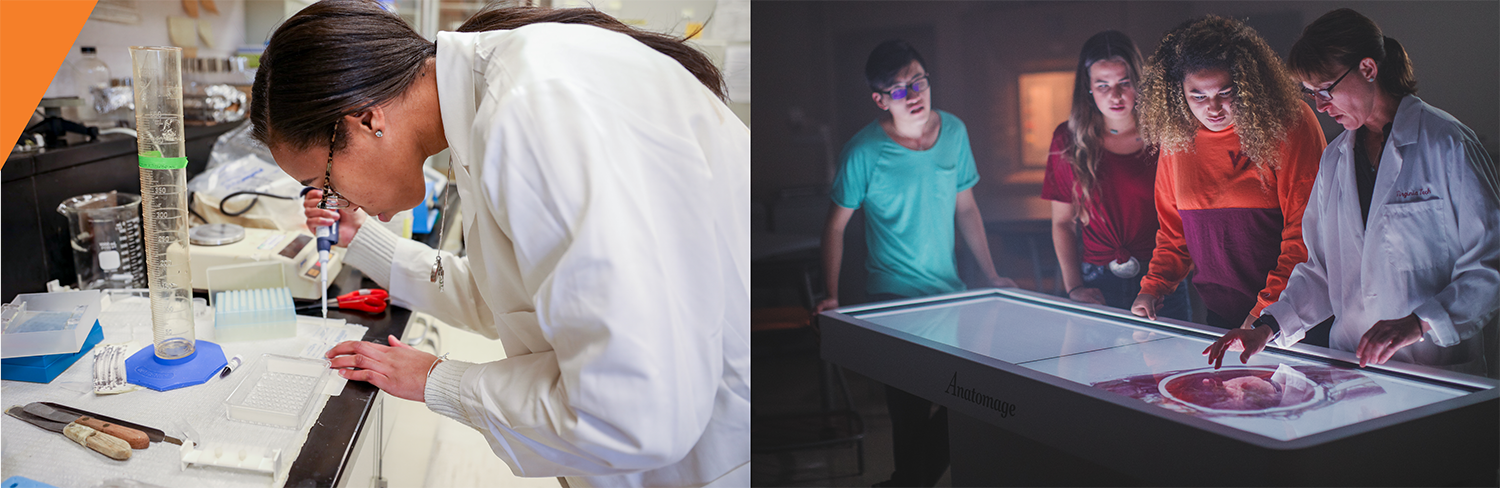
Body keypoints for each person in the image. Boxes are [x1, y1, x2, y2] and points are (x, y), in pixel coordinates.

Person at [251, 1, 750, 486]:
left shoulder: (533, 109)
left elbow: (631, 412)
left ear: (363, 121)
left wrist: (439, 380)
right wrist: (364, 242)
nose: (339, 201)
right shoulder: (492, 93)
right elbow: (521, 299)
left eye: (327, 181)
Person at [1205, 9, 1500, 377]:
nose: (1321, 105)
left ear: (1368, 69)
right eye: (1311, 93)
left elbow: (1490, 265)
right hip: (1353, 367)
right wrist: (1266, 329)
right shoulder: (1335, 160)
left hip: (1434, 368)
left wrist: (1419, 323)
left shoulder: (1447, 144)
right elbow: (1320, 271)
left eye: (1326, 89)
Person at [813, 39, 1014, 488]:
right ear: (881, 100)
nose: (915, 93)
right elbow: (834, 227)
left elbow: (966, 208)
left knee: (966, 399)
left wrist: (990, 273)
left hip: (951, 293)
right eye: (900, 89)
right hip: (892, 298)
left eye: (919, 80)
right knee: (907, 414)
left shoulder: (955, 133)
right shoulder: (862, 152)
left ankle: (904, 483)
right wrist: (830, 294)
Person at [1131, 15, 1326, 330]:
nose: (1214, 108)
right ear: (1178, 92)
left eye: (1226, 92)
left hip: (1291, 319)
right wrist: (1153, 287)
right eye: (1198, 96)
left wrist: (1265, 314)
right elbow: (1174, 232)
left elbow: (1306, 233)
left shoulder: (1290, 121)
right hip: (1221, 319)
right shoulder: (1177, 136)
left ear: (1248, 85)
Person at [1041, 30, 1190, 320]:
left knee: (1170, 364)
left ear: (1139, 82)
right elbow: (1062, 223)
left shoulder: (1166, 134)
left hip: (1162, 277)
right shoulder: (1067, 139)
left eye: (1124, 82)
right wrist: (1074, 288)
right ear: (1088, 87)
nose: (1116, 95)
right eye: (1103, 85)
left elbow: (1189, 213)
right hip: (1096, 282)